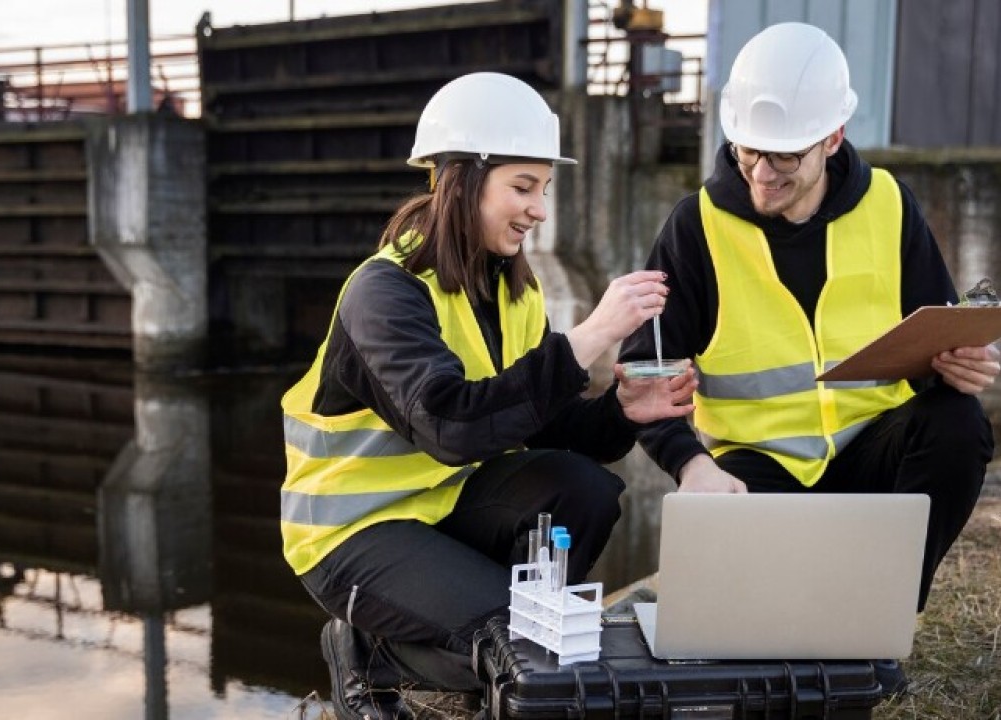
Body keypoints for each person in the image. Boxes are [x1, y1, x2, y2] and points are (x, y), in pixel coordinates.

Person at [280, 72, 697, 720]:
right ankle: (369, 653)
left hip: (442, 508)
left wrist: (622, 411)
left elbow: (545, 425)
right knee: (521, 641)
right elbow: (451, 427)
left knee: (586, 490)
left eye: (544, 190)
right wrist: (590, 337)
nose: (539, 209)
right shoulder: (385, 294)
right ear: (461, 179)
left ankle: (492, 635)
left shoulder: (514, 295)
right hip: (350, 536)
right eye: (523, 187)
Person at [618, 23, 999, 695]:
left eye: (786, 156)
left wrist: (963, 362)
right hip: (754, 472)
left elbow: (938, 334)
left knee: (958, 422)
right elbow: (645, 370)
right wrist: (691, 463)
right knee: (748, 636)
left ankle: (874, 625)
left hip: (870, 450)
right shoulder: (696, 226)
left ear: (832, 138)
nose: (763, 173)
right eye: (750, 151)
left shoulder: (889, 207)